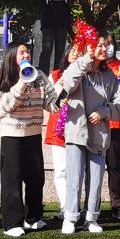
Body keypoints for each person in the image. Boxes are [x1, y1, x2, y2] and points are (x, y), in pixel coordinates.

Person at [60, 25, 120, 234]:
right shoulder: (78, 68)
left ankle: (91, 218)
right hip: (76, 131)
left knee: (95, 180)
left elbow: (118, 105)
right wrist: (85, 58)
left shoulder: (110, 76)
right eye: (99, 45)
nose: (104, 49)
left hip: (99, 134)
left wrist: (103, 112)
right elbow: (68, 84)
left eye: (106, 45)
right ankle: (70, 217)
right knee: (74, 178)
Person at [0, 42, 59, 237]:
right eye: (21, 52)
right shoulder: (4, 79)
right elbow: (8, 106)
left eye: (27, 52)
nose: (26, 55)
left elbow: (51, 103)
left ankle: (33, 218)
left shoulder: (39, 76)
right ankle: (12, 223)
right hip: (12, 135)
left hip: (33, 133)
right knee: (12, 180)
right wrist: (23, 81)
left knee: (36, 178)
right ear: (12, 56)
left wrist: (61, 97)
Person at [43, 43, 82, 211]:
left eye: (79, 52)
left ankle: (75, 206)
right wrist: (59, 84)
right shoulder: (55, 74)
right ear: (66, 53)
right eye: (72, 50)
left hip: (78, 125)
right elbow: (48, 100)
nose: (75, 54)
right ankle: (65, 207)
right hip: (58, 128)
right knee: (60, 170)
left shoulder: (86, 74)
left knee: (77, 171)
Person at [101, 32, 120, 221]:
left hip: (117, 124)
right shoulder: (94, 67)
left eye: (111, 43)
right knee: (92, 168)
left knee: (115, 167)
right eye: (105, 43)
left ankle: (117, 205)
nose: (108, 47)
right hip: (96, 123)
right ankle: (91, 205)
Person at [37, 0, 72, 72]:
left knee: (60, 52)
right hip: (48, 24)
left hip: (62, 24)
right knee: (47, 50)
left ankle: (57, 74)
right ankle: (43, 74)